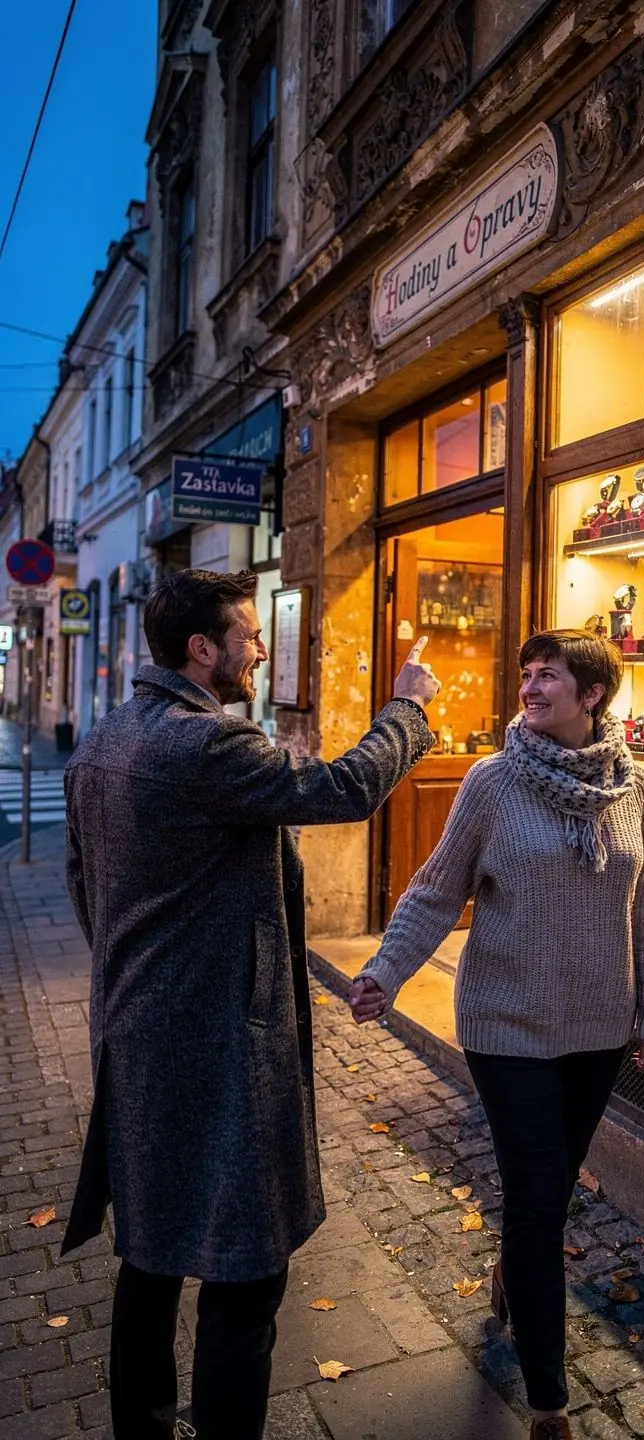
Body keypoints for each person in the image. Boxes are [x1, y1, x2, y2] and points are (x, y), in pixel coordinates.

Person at [60, 567, 440, 1440]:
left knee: (151, 1253)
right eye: (248, 631)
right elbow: (342, 791)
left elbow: (86, 887)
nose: (261, 645)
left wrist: (138, 971)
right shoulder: (205, 746)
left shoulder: (105, 738)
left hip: (136, 1029)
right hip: (218, 1042)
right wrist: (408, 708)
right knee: (246, 1266)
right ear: (203, 649)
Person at [349, 629, 644, 1440]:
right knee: (536, 1202)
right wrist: (385, 974)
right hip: (508, 1027)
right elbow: (434, 890)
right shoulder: (493, 784)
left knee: (551, 1194)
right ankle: (549, 1402)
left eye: (548, 677)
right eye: (526, 675)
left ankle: (510, 1274)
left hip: (599, 1028)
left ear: (592, 694)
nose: (529, 688)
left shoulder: (633, 790)